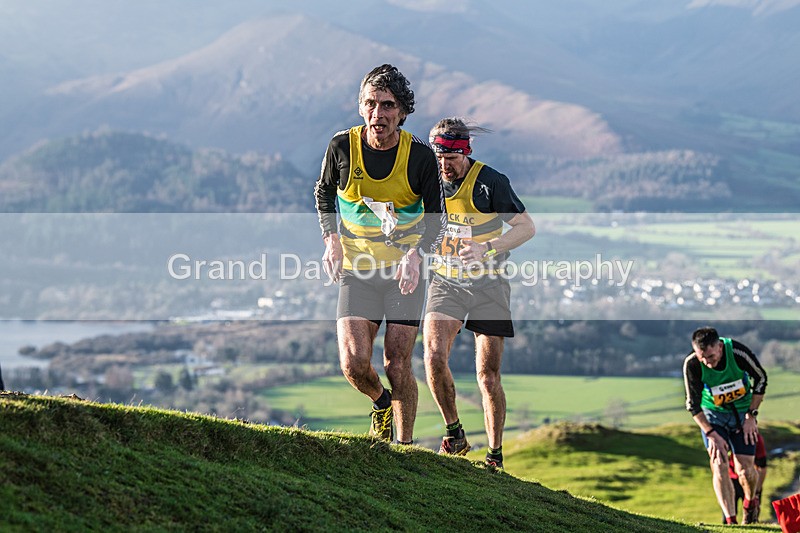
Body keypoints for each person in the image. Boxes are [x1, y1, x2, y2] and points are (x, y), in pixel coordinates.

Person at [314, 64, 446, 444]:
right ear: (360, 108)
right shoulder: (342, 146)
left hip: (403, 275)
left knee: (397, 362)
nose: (378, 114)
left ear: (402, 112)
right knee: (354, 364)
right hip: (358, 271)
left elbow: (438, 218)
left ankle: (403, 448)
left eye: (388, 105)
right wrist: (331, 238)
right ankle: (381, 402)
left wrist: (416, 254)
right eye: (370, 104)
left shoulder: (420, 157)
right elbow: (323, 192)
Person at [423, 117, 535, 469]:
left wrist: (489, 246)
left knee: (487, 376)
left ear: (466, 152)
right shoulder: (429, 179)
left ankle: (494, 457)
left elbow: (526, 226)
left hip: (489, 286)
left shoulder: (490, 182)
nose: (444, 166)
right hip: (446, 282)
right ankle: (455, 434)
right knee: (433, 355)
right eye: (438, 158)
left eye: (451, 159)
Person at [683, 326, 768, 525]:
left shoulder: (737, 353)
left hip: (741, 414)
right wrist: (710, 433)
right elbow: (692, 405)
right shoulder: (692, 364)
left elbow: (761, 378)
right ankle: (730, 521)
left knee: (745, 468)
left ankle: (750, 504)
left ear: (719, 347)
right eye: (702, 357)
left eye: (711, 356)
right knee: (718, 463)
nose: (707, 362)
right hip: (713, 416)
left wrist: (751, 416)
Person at [723, 433, 767, 524]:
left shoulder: (755, 437)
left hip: (748, 481)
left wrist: (757, 490)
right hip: (731, 480)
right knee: (727, 516)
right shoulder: (723, 435)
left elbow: (762, 466)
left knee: (751, 516)